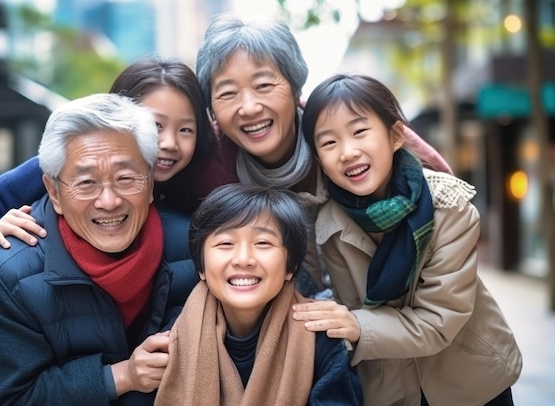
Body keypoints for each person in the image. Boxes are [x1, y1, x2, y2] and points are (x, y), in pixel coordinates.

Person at [293, 73, 522, 406]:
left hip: (471, 384)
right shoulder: (327, 224)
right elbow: (351, 308)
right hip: (391, 394)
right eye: (328, 143)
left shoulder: (448, 205)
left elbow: (437, 319)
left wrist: (356, 325)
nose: (348, 152)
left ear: (396, 134)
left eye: (359, 132)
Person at [0, 93, 180, 406]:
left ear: (151, 180)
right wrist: (123, 376)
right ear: (53, 192)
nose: (109, 200)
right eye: (87, 183)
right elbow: (12, 403)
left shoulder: (192, 248)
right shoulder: (5, 272)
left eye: (126, 178)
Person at [194, 13, 452, 296]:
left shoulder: (338, 124)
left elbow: (443, 189)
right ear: (212, 111)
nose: (250, 107)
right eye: (228, 93)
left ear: (295, 89)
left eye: (264, 85)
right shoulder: (209, 164)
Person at [0, 55, 231, 255]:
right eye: (155, 126)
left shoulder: (197, 180)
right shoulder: (72, 162)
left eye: (186, 129)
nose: (169, 142)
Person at [152, 183, 363, 406]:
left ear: (290, 266)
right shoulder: (173, 339)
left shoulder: (321, 338)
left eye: (263, 243)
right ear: (201, 267)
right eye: (225, 244)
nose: (243, 259)